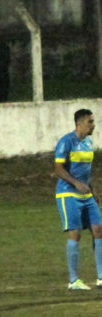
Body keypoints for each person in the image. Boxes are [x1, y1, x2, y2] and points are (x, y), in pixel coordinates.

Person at [53, 109, 102, 290]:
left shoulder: (89, 143)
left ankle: (101, 277)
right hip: (68, 193)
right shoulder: (66, 142)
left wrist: (92, 190)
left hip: (86, 193)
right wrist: (75, 183)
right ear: (79, 123)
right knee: (75, 233)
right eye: (90, 121)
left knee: (98, 229)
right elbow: (58, 169)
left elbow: (87, 171)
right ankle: (74, 280)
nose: (93, 125)